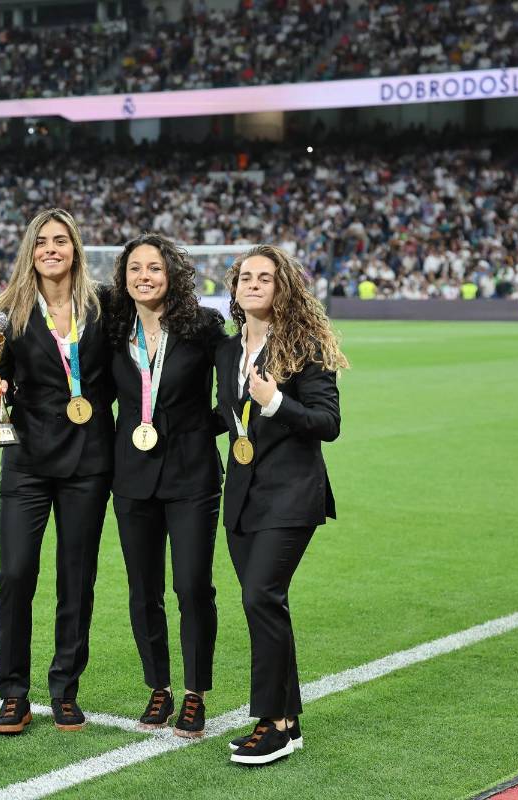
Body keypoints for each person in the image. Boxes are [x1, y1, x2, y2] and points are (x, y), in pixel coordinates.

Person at [0, 208, 114, 734]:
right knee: (14, 575)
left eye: (61, 241)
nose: (51, 250)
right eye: (42, 242)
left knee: (76, 579)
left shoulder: (103, 307)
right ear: (29, 252)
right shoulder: (4, 312)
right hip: (28, 462)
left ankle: (64, 688)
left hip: (89, 461)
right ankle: (13, 692)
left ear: (75, 248)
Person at [214, 244, 348, 766]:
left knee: (260, 598)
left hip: (292, 495)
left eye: (264, 278)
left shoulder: (305, 345)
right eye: (245, 277)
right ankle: (289, 721)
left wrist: (276, 402)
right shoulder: (228, 351)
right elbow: (225, 417)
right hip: (242, 497)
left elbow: (328, 423)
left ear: (281, 287)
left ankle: (268, 723)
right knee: (267, 603)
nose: (252, 284)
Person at [107, 233, 227, 737]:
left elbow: (237, 388)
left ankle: (195, 691)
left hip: (191, 475)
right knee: (144, 590)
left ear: (171, 274)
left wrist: (201, 430)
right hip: (132, 478)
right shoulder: (114, 329)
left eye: (154, 268)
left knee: (192, 586)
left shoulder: (204, 327)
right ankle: (159, 687)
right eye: (135, 268)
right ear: (124, 277)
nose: (144, 277)